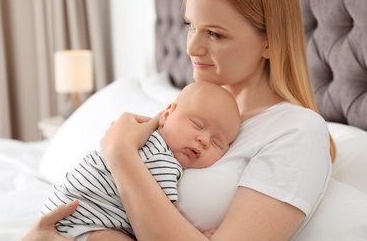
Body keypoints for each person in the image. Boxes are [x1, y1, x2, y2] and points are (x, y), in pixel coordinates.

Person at [23, 0, 336, 240]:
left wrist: (120, 153)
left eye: (215, 34)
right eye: (191, 26)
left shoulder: (297, 131)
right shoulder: (196, 109)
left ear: (270, 42)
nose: (192, 48)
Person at [39, 81, 241, 241]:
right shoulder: (160, 157)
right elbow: (161, 220)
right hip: (84, 220)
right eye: (197, 125)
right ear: (167, 113)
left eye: (217, 143)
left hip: (63, 215)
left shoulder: (138, 139)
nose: (204, 141)